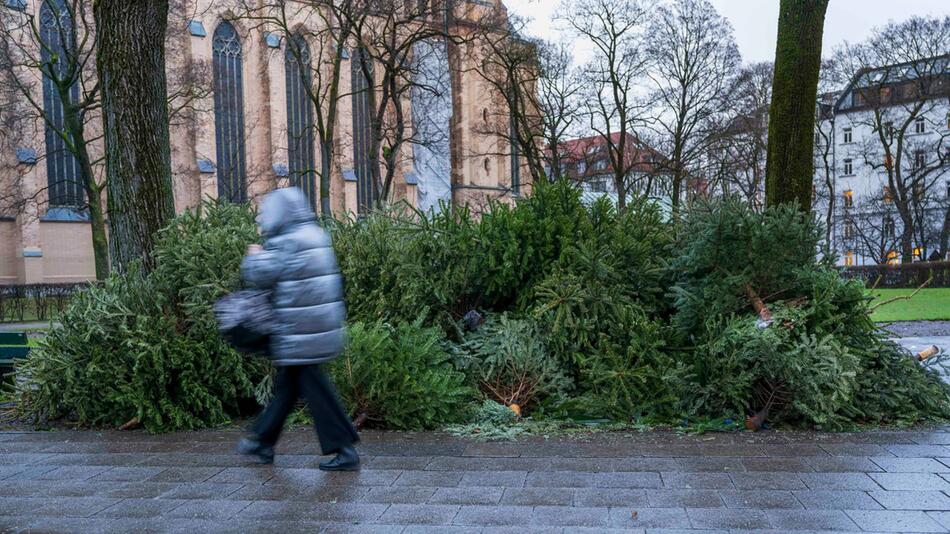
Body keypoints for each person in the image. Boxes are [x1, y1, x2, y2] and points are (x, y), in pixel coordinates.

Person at [236, 187, 360, 471]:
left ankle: (345, 449)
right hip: (317, 326)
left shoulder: (288, 240)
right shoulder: (315, 233)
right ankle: (262, 443)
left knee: (315, 389)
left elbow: (262, 274)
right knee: (289, 387)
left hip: (300, 331)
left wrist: (254, 255)